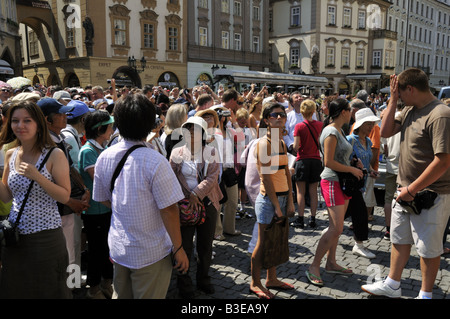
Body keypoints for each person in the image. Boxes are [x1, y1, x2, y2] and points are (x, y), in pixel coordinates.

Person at [362, 69, 450, 299]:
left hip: (431, 193)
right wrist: (392, 100)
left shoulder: (440, 114)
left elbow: (443, 161)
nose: (398, 97)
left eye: (399, 92)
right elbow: (386, 130)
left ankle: (425, 294)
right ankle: (393, 283)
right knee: (399, 239)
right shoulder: (409, 108)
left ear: (410, 89)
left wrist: (413, 189)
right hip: (405, 190)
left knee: (428, 249)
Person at [92, 93, 188, 299]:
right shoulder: (155, 161)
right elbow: (170, 209)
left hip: (119, 248)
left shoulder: (105, 156)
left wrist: (124, 208)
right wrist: (179, 247)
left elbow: (101, 197)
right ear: (149, 124)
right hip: (150, 251)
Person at [0, 100, 72, 299]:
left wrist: (38, 177)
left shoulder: (54, 154)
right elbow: (6, 196)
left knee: (49, 290)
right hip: (15, 239)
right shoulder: (11, 153)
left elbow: (65, 196)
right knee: (17, 289)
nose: (20, 126)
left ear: (38, 124)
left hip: (45, 238)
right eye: (15, 121)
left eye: (27, 120)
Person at [306, 98, 363, 286]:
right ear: (344, 112)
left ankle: (331, 263)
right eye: (350, 109)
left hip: (341, 182)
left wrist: (354, 163)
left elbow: (341, 156)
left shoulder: (338, 130)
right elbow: (328, 162)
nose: (352, 112)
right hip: (332, 181)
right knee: (336, 228)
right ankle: (314, 266)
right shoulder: (331, 131)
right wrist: (352, 170)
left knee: (336, 228)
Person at [169, 117, 222, 298]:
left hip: (207, 203)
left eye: (196, 130)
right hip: (183, 205)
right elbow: (172, 175)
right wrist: (186, 198)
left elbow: (213, 176)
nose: (192, 133)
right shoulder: (177, 152)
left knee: (205, 246)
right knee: (184, 245)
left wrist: (196, 194)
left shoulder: (211, 152)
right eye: (188, 130)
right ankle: (184, 285)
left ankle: (203, 280)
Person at [250, 102, 295, 299]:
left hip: (283, 198)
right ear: (267, 120)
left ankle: (271, 278)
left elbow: (286, 174)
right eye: (275, 115)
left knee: (276, 240)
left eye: (282, 115)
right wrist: (277, 206)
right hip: (269, 200)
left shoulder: (282, 142)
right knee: (263, 242)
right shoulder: (263, 144)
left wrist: (291, 201)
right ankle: (255, 282)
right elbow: (267, 179)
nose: (279, 118)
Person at [78, 110, 115, 299]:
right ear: (100, 129)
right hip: (94, 211)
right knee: (96, 251)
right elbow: (100, 180)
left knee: (108, 248)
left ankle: (107, 283)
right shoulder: (88, 151)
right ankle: (93, 289)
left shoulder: (103, 147)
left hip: (107, 208)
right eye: (109, 126)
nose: (112, 129)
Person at [346, 108, 380, 259]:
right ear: (360, 124)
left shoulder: (368, 141)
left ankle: (330, 233)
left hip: (361, 184)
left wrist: (371, 170)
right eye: (368, 123)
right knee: (360, 215)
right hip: (350, 184)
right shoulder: (349, 140)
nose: (371, 126)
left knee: (345, 215)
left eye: (372, 123)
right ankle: (359, 245)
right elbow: (342, 161)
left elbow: (366, 161)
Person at [290, 100, 323, 229]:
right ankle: (313, 219)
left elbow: (296, 147)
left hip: (302, 160)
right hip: (316, 160)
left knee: (300, 192)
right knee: (313, 191)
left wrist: (293, 145)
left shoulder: (299, 126)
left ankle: (300, 218)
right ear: (313, 111)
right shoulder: (320, 125)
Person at [380, 101, 403, 240]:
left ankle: (388, 230)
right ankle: (401, 231)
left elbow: (385, 147)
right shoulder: (407, 118)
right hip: (404, 167)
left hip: (390, 164)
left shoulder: (389, 119)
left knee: (388, 198)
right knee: (403, 198)